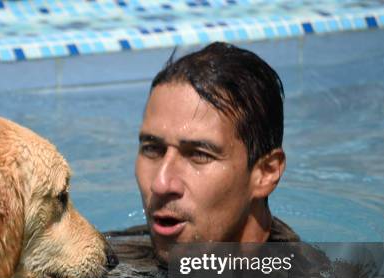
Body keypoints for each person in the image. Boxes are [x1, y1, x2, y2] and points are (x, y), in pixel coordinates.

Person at [123, 41, 299, 264]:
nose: (161, 184)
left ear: (266, 172)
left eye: (199, 155)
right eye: (152, 149)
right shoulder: (107, 260)